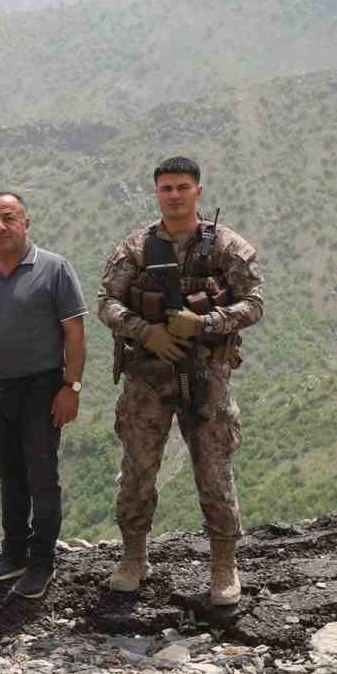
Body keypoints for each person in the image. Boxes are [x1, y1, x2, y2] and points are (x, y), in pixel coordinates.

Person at [97, 156, 263, 607]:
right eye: (166, 188)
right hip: (148, 377)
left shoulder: (226, 246)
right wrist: (144, 330)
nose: (174, 195)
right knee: (137, 468)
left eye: (182, 187)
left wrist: (207, 323)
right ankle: (134, 558)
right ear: (157, 194)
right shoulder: (135, 247)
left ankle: (224, 564)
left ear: (198, 192)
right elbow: (106, 303)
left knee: (213, 468)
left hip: (206, 373)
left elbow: (254, 303)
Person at [0, 193, 87, 600]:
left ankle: (41, 561)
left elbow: (75, 332)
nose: (0, 226)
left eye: (8, 218)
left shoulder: (54, 268)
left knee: (41, 477)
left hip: (41, 389)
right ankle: (13, 552)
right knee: (9, 475)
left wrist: (72, 386)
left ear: (26, 222)